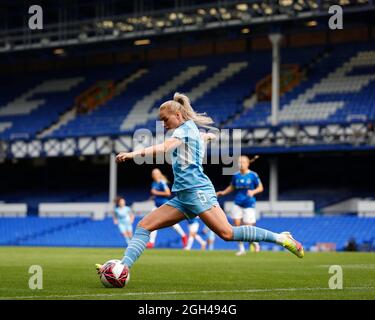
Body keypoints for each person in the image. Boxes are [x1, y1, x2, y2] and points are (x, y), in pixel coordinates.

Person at [96, 92, 304, 279]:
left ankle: (281, 238)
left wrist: (133, 154)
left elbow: (166, 147)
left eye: (165, 119)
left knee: (228, 233)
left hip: (198, 192)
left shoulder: (183, 130)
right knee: (144, 226)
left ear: (177, 116)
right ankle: (122, 267)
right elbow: (194, 139)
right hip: (183, 197)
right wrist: (206, 137)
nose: (163, 124)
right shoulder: (188, 130)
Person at [216, 155, 263, 256]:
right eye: (239, 162)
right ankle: (241, 249)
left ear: (248, 163)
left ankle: (254, 242)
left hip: (249, 204)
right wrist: (223, 193)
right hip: (237, 203)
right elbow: (232, 187)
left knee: (248, 227)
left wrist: (253, 192)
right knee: (236, 227)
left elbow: (260, 187)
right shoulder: (236, 175)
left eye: (243, 162)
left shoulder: (253, 175)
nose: (241, 164)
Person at [147, 168, 188, 248]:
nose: (153, 175)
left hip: (164, 205)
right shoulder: (154, 183)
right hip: (156, 206)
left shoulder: (162, 183)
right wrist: (154, 196)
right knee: (153, 223)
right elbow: (155, 194)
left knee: (172, 223)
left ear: (158, 174)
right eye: (152, 173)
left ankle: (183, 236)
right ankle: (151, 242)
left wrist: (156, 192)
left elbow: (168, 193)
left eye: (155, 173)